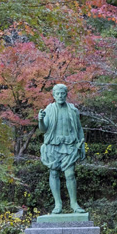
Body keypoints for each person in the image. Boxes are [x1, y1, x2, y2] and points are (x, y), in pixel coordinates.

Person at [37, 83, 86, 214]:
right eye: (57, 94)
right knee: (54, 173)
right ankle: (57, 204)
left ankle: (74, 204)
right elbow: (43, 129)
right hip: (53, 145)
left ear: (66, 95)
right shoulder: (49, 109)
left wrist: (82, 147)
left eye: (62, 93)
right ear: (53, 95)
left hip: (69, 145)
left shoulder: (72, 109)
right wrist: (40, 120)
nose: (60, 96)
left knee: (70, 174)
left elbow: (79, 128)